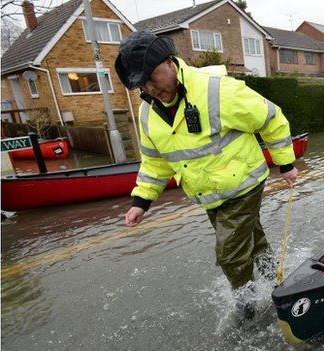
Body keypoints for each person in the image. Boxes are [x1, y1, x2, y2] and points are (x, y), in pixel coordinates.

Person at [114, 31, 298, 317]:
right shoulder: (147, 112)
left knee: (230, 254)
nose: (150, 88)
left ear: (170, 63)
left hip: (243, 184)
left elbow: (271, 118)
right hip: (209, 194)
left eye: (153, 77)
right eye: (141, 84)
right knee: (252, 239)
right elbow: (155, 161)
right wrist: (141, 201)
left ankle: (247, 310)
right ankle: (277, 280)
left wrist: (285, 164)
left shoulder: (217, 89)